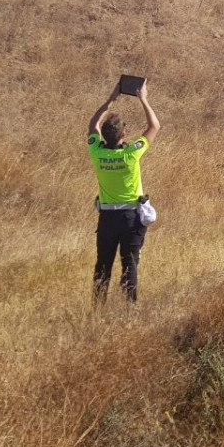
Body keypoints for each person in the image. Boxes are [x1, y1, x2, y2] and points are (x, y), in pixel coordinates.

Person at [88, 80, 160, 304]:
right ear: (124, 134)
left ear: (104, 137)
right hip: (131, 218)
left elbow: (92, 126)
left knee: (103, 266)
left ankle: (97, 309)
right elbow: (154, 127)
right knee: (129, 263)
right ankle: (130, 309)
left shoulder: (97, 152)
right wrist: (144, 98)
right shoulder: (131, 153)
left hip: (107, 218)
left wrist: (111, 99)